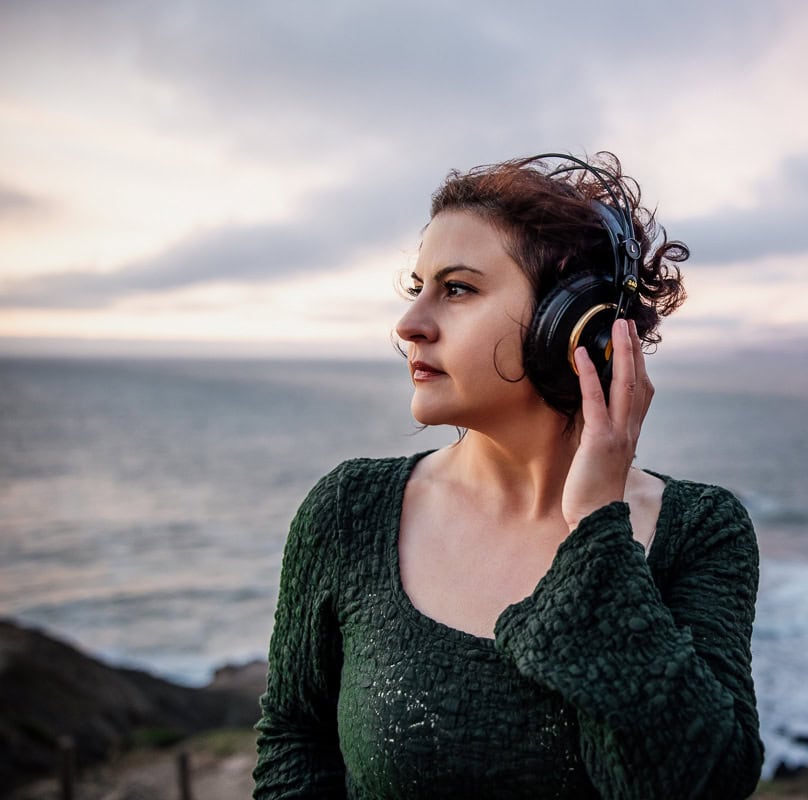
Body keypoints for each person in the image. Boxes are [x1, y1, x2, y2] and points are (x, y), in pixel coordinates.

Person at [253, 152, 763, 799]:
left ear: (574, 326)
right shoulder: (348, 510)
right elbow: (296, 742)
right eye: (418, 289)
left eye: (458, 289)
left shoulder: (702, 531)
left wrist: (598, 533)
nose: (409, 325)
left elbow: (704, 783)